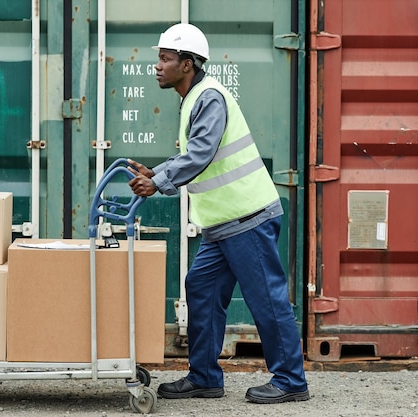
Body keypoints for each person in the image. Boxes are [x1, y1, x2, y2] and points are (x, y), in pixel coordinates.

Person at [127, 23, 309, 404]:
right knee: (202, 291)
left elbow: (201, 153)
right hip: (222, 226)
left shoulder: (208, 97)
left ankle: (291, 381)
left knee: (267, 300)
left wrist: (159, 184)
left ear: (187, 64)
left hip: (247, 219)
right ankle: (205, 377)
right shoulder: (193, 98)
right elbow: (190, 155)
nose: (157, 66)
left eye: (165, 59)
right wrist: (156, 173)